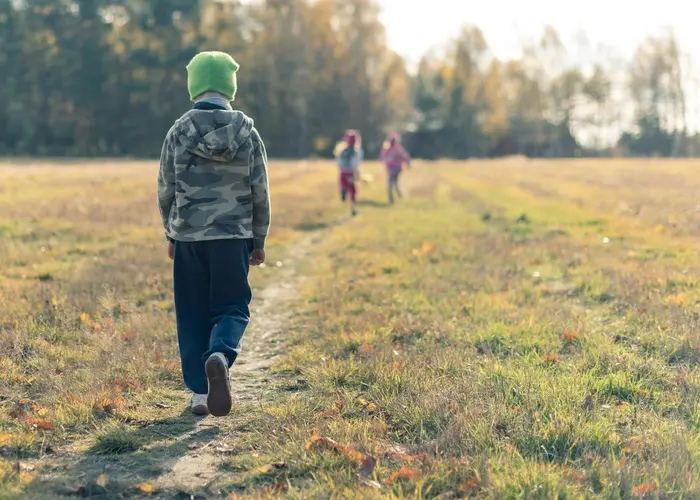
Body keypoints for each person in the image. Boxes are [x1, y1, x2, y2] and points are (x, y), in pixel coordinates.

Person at [157, 51, 270, 417]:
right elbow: (260, 191)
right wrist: (259, 239)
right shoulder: (248, 133)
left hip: (189, 239)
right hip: (233, 238)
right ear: (230, 86)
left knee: (191, 313)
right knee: (233, 306)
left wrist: (171, 233)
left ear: (193, 86)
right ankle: (220, 352)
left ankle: (201, 395)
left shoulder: (178, 131)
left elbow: (166, 187)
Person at [334, 129, 363, 216]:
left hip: (343, 172)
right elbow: (355, 163)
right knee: (353, 191)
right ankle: (353, 209)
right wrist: (357, 172)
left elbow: (338, 161)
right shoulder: (356, 152)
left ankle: (343, 191)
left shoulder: (342, 150)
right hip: (350, 173)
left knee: (344, 185)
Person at [379, 132, 411, 204]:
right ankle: (399, 195)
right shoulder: (390, 148)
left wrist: (408, 162)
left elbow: (405, 156)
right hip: (393, 168)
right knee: (395, 182)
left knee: (391, 183)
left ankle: (392, 198)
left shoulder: (395, 148)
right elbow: (382, 157)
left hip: (395, 169)